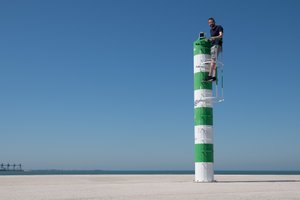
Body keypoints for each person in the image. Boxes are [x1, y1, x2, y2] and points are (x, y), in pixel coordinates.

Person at [204, 17, 223, 82]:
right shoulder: (211, 30)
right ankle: (214, 76)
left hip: (216, 45)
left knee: (213, 60)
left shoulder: (219, 27)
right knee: (214, 61)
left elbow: (221, 35)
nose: (210, 24)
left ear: (214, 22)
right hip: (213, 45)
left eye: (211, 22)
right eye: (209, 23)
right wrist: (209, 39)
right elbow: (212, 38)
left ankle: (209, 76)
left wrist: (214, 37)